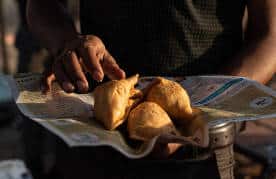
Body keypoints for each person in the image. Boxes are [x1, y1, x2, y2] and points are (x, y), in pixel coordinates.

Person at [24, 0, 276, 178]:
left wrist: (198, 112)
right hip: (96, 135)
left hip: (203, 152)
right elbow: (41, 5)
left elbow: (269, 37)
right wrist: (66, 41)